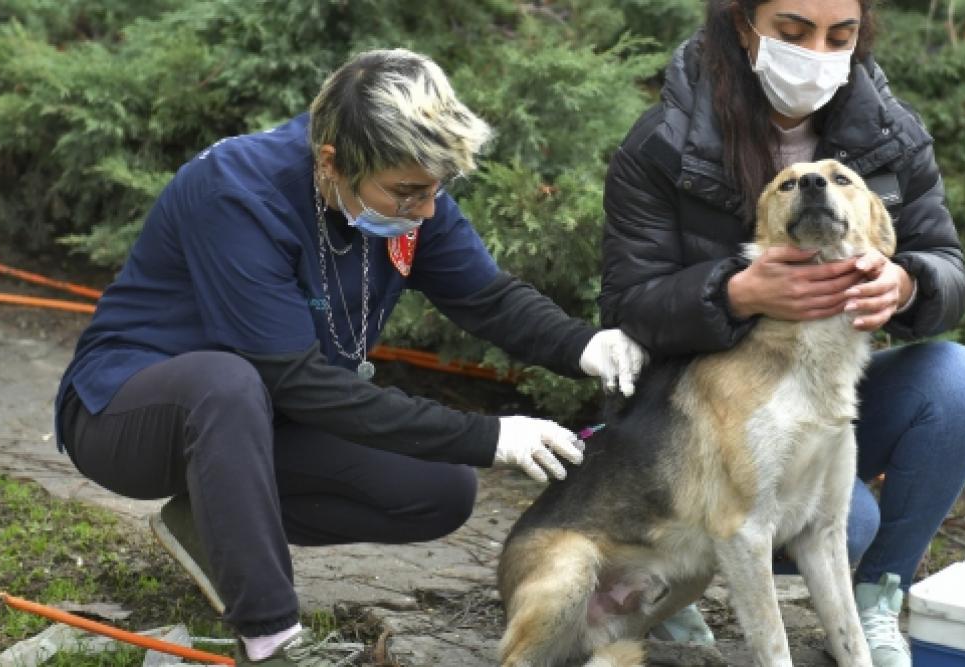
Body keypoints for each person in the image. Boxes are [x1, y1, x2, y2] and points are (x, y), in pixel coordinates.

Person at [53, 48, 646, 666]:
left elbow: (488, 298)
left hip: (262, 420)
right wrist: (487, 433)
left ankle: (213, 524)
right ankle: (270, 638)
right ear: (331, 161)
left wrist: (584, 345)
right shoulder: (237, 192)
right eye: (408, 193)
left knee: (439, 488)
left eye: (437, 189)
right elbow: (296, 382)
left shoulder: (410, 194)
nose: (427, 210)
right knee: (224, 383)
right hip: (126, 413)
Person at [598, 1, 965, 665]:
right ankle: (669, 579)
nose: (816, 52)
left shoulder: (892, 135)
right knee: (850, 522)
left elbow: (946, 265)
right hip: (703, 419)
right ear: (742, 25)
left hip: (824, 387)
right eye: (792, 32)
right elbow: (625, 308)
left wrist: (908, 283)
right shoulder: (661, 143)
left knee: (958, 383)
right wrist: (731, 291)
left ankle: (877, 601)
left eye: (839, 36)